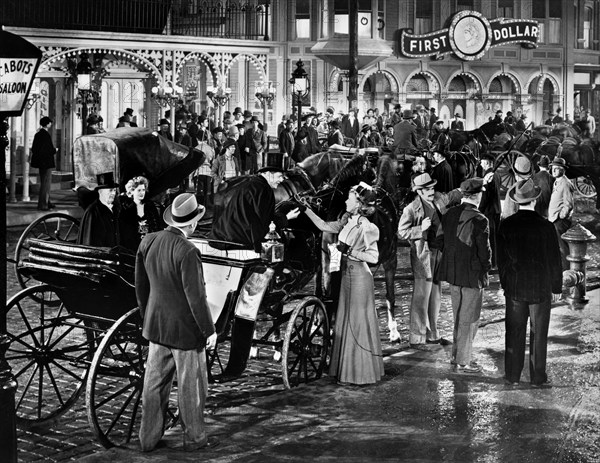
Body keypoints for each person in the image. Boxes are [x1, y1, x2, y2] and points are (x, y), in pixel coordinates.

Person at [136, 193, 217, 452]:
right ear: (192, 224)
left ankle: (147, 439)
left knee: (153, 385)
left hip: (156, 326)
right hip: (185, 333)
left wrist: (146, 314)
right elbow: (197, 298)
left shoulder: (148, 241)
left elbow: (141, 286)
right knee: (191, 387)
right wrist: (208, 330)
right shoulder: (188, 251)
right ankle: (194, 438)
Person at [303, 182, 384, 385]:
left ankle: (360, 374)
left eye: (350, 198)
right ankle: (346, 371)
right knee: (346, 320)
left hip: (360, 278)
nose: (346, 201)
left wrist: (349, 252)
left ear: (358, 204)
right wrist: (305, 209)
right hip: (346, 275)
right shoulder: (347, 220)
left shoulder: (367, 227)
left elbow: (374, 257)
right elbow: (324, 226)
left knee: (357, 323)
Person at [496, 178, 562, 387]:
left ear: (518, 201)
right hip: (541, 288)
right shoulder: (547, 226)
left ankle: (512, 375)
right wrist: (556, 287)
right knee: (539, 333)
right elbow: (554, 260)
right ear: (535, 200)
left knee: (514, 331)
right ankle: (537, 377)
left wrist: (505, 284)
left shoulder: (506, 225)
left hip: (515, 288)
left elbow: (501, 260)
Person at [398, 173, 461, 350]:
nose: (431, 192)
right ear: (419, 191)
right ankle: (417, 337)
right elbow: (401, 232)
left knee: (435, 295)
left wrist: (477, 183)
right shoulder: (411, 209)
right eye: (426, 189)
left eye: (432, 188)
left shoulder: (438, 199)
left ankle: (433, 334)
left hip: (439, 252)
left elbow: (453, 195)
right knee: (421, 296)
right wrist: (420, 228)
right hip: (423, 256)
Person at [438, 178, 491, 373]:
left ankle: (457, 356)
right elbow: (485, 252)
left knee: (459, 316)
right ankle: (463, 361)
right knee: (470, 318)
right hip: (472, 275)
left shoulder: (449, 214)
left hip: (453, 273)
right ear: (477, 195)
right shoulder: (480, 219)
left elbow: (439, 240)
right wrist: (486, 269)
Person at [209, 165, 300, 252]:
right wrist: (286, 217)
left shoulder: (250, 184)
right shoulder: (264, 190)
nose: (281, 180)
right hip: (238, 241)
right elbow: (265, 224)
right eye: (279, 176)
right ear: (268, 173)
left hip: (222, 237)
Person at [119, 176, 163, 252]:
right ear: (132, 191)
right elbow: (125, 236)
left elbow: (158, 228)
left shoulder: (151, 206)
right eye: (139, 190)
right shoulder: (126, 211)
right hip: (134, 250)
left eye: (143, 190)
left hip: (151, 248)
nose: (142, 193)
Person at [77, 172, 120, 247]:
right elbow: (89, 242)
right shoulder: (93, 212)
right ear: (100, 191)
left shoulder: (115, 208)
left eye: (114, 190)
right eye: (110, 190)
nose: (113, 193)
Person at [548, 157, 575, 270]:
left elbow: (568, 204)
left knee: (563, 247)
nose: (554, 171)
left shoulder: (565, 183)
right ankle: (561, 270)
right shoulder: (557, 181)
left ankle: (567, 272)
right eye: (553, 168)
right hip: (554, 219)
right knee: (558, 247)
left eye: (557, 169)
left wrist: (561, 216)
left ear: (563, 170)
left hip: (560, 221)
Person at [478, 154, 501, 267]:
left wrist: (479, 209)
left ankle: (491, 262)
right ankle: (496, 261)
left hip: (489, 210)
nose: (481, 164)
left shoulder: (488, 176)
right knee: (495, 237)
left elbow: (485, 196)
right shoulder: (497, 174)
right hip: (497, 209)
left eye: (482, 162)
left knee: (490, 237)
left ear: (487, 163)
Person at [30, 116, 57, 211]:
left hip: (41, 162)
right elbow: (47, 149)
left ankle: (47, 202)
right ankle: (43, 204)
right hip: (46, 162)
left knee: (44, 183)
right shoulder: (45, 135)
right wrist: (54, 150)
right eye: (50, 123)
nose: (51, 124)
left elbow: (34, 149)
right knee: (46, 184)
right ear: (47, 124)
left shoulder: (38, 134)